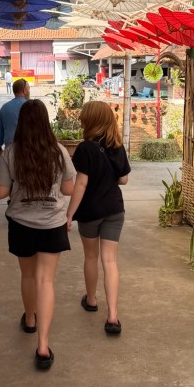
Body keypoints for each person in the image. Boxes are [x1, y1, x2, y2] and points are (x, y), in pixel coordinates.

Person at [0, 98, 75, 370]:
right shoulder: (59, 151)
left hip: (22, 224)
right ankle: (43, 346)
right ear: (45, 122)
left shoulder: (12, 152)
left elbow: (0, 193)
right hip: (52, 224)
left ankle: (30, 319)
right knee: (46, 281)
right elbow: (68, 189)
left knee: (28, 275)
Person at [66, 100, 131, 336]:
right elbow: (124, 180)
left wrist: (69, 213)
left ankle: (92, 300)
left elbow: (81, 183)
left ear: (89, 120)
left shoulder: (85, 149)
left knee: (91, 257)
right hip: (114, 210)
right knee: (110, 261)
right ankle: (113, 316)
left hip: (90, 212)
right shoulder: (117, 146)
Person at [0, 77, 29, 158]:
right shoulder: (31, 107)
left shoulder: (5, 107)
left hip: (10, 150)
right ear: (24, 91)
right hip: (29, 148)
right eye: (28, 89)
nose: (29, 91)